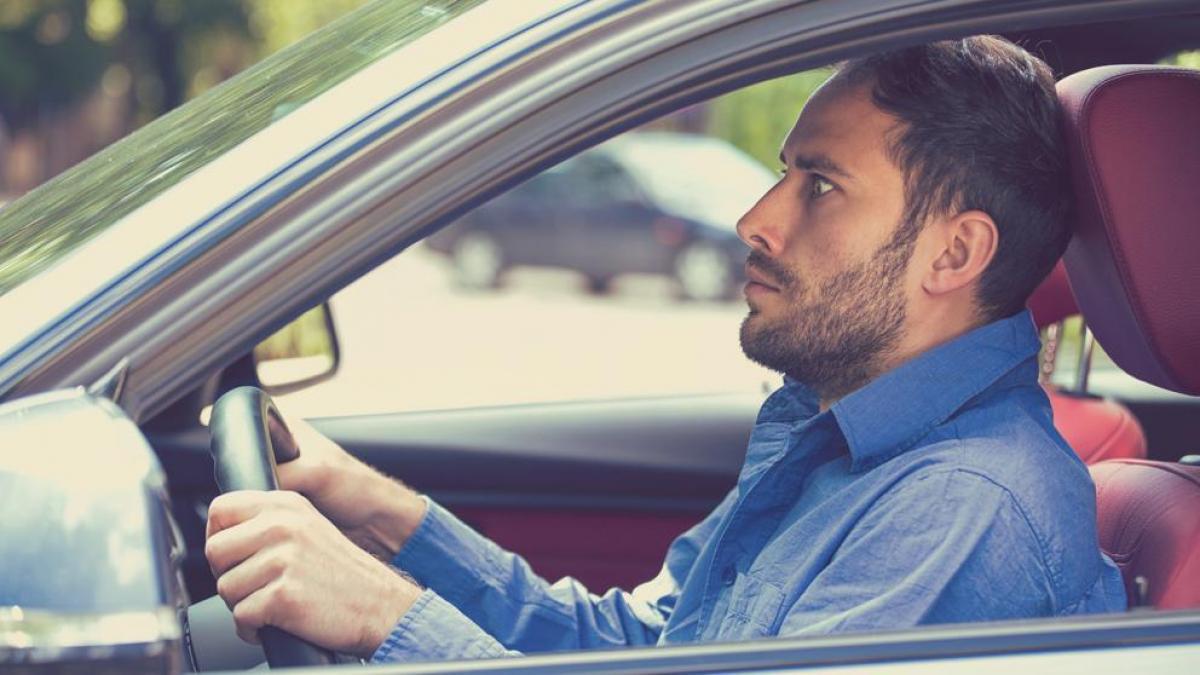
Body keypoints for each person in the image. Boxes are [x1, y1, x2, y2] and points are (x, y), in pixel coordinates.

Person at [204, 36, 1127, 664]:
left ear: (955, 252)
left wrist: (380, 614)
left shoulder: (965, 512)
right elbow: (642, 647)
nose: (754, 221)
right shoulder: (834, 432)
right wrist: (381, 513)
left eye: (820, 186)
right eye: (783, 175)